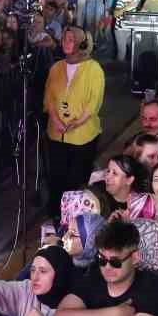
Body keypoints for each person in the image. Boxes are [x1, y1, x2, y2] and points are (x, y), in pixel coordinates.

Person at [45, 27, 104, 220]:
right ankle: (57, 217)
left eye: (71, 39)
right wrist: (56, 120)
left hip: (83, 135)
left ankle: (75, 220)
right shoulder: (56, 68)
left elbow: (94, 102)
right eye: (64, 38)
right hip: (56, 133)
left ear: (82, 43)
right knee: (56, 178)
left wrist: (77, 122)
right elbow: (49, 99)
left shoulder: (94, 68)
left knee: (77, 179)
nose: (66, 42)